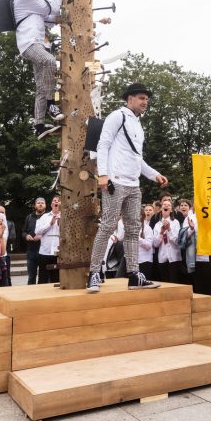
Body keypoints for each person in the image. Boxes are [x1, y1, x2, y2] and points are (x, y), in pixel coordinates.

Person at [86, 83, 169, 292]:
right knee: (107, 226)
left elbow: (137, 159)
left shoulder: (138, 125)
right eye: (141, 98)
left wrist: (154, 174)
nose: (145, 102)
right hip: (115, 180)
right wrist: (103, 174)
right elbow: (102, 144)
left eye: (147, 99)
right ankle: (94, 273)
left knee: (133, 230)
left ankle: (134, 275)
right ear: (129, 98)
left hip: (134, 184)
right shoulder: (118, 116)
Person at [13, 0, 65, 138]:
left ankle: (39, 125)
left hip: (35, 44)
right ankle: (51, 104)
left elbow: (48, 19)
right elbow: (52, 9)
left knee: (41, 87)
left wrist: (60, 18)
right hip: (30, 44)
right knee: (50, 61)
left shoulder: (29, 1)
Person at [153, 200, 182, 283]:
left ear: (171, 210)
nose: (166, 206)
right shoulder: (157, 225)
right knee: (165, 283)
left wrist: (169, 229)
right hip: (162, 258)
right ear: (161, 209)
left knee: (174, 282)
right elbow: (155, 244)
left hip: (174, 258)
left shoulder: (175, 222)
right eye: (164, 204)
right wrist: (161, 233)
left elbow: (177, 241)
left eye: (168, 205)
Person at [35, 196, 61, 285]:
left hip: (58, 253)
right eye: (54, 201)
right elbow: (37, 231)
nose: (56, 202)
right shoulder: (44, 217)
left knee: (56, 279)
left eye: (58, 201)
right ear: (51, 204)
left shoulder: (66, 217)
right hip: (44, 253)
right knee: (43, 278)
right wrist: (50, 224)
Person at [23, 197, 47, 284]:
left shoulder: (48, 217)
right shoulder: (29, 217)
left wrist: (41, 236)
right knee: (31, 276)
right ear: (35, 205)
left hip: (44, 252)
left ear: (45, 205)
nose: (40, 204)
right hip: (31, 251)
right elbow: (23, 232)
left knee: (43, 276)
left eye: (42, 203)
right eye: (38, 203)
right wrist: (26, 236)